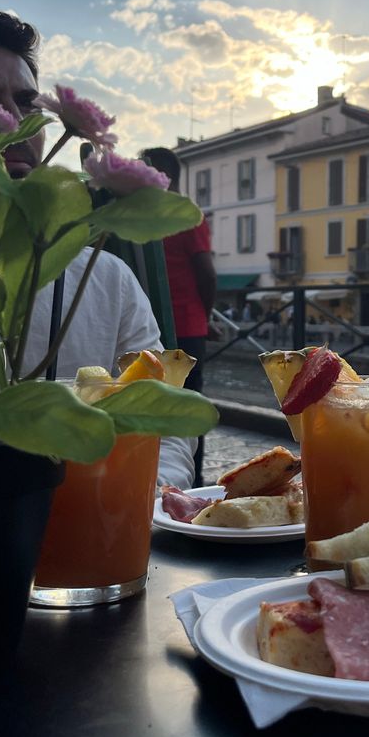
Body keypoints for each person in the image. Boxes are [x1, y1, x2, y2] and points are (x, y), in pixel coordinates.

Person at [0, 8, 196, 487]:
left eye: (26, 103)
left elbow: (164, 433)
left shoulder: (107, 281)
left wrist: (138, 506)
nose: (11, 122)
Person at [141, 147, 217, 487]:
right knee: (187, 407)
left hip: (144, 325)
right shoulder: (187, 216)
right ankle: (193, 482)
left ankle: (150, 478)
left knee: (149, 402)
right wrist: (208, 314)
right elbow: (206, 272)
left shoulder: (134, 216)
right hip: (186, 325)